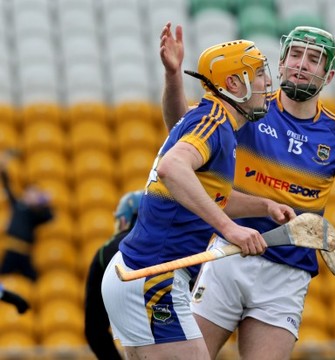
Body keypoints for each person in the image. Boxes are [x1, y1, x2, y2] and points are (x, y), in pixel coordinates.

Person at [161, 24, 335, 359]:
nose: (302, 64)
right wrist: (173, 76)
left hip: (288, 273)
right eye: (296, 54)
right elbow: (181, 126)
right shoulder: (248, 106)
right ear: (282, 60)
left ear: (328, 76)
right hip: (228, 255)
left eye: (314, 59)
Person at [101, 32, 295, 360]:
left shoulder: (209, 119)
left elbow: (205, 196)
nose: (267, 82)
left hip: (140, 273)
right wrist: (229, 228)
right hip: (153, 276)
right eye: (259, 73)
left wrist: (263, 206)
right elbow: (172, 168)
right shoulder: (213, 122)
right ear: (234, 84)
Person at [84, 190, 143, 360]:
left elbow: (94, 329)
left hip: (139, 344)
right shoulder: (177, 243)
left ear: (123, 220)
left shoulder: (105, 252)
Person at [0, 150, 54, 281]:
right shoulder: (18, 204)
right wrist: (4, 168)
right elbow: (7, 185)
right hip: (12, 248)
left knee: (33, 279)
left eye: (34, 193)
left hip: (25, 252)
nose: (30, 195)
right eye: (30, 192)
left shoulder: (35, 213)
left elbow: (50, 217)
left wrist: (43, 203)